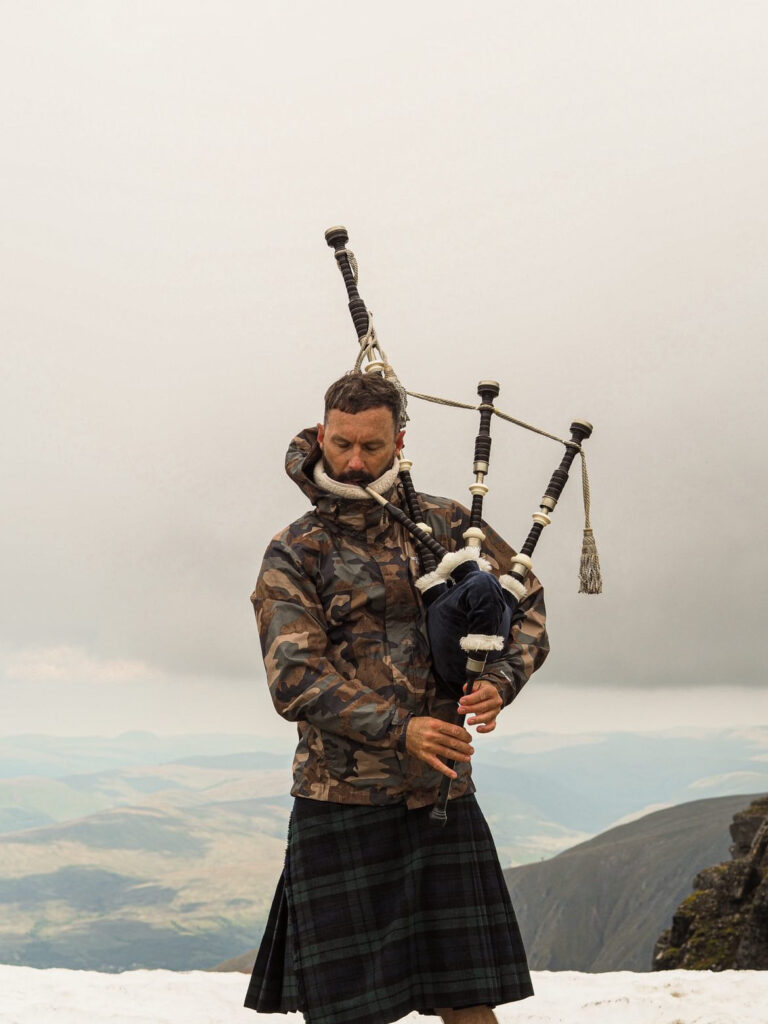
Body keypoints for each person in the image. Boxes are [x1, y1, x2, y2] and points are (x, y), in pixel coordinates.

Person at [244, 372, 549, 1024]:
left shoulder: (446, 525)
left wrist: (500, 682)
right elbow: (295, 678)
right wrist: (401, 728)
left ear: (400, 442)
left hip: (440, 796)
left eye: (373, 447)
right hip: (339, 803)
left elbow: (527, 607)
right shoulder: (295, 551)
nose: (355, 461)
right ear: (323, 434)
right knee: (350, 1014)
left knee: (470, 1003)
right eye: (343, 444)